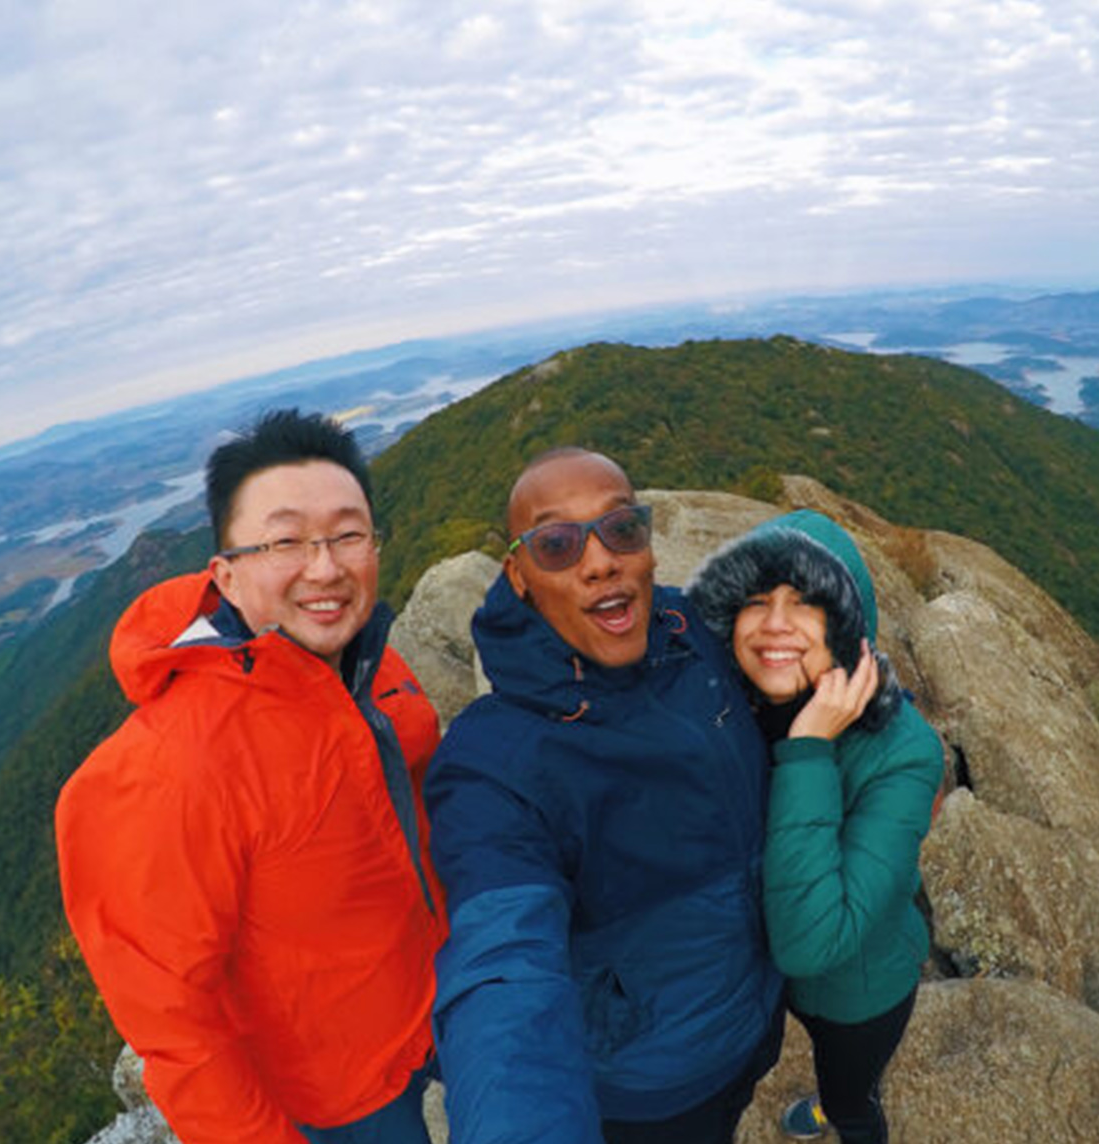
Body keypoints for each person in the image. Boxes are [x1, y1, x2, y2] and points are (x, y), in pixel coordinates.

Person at [56, 409, 445, 1144]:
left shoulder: (364, 663)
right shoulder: (167, 769)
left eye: (347, 535)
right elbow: (175, 1027)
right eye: (285, 541)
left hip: (433, 1007)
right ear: (226, 575)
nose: (324, 567)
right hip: (336, 1097)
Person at [424, 447, 785, 1144]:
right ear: (518, 575)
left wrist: (886, 732)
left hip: (754, 1013)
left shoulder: (691, 633)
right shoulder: (493, 764)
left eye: (621, 529)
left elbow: (807, 650)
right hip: (649, 1083)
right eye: (556, 544)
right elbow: (502, 971)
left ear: (647, 546)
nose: (598, 562)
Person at [688, 509, 944, 1144]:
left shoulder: (902, 750)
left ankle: (842, 1112)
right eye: (756, 600)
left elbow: (813, 943)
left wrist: (809, 748)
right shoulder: (729, 711)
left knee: (851, 1096)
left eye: (808, 604)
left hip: (855, 992)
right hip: (758, 975)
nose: (777, 624)